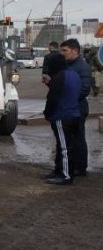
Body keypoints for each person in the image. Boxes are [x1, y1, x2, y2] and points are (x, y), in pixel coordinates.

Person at [42, 52, 81, 185]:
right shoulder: (74, 74)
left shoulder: (59, 77)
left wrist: (47, 114)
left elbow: (53, 98)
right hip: (74, 114)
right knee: (66, 145)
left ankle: (65, 175)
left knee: (64, 147)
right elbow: (68, 91)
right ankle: (59, 170)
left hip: (61, 116)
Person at [60, 38, 91, 177]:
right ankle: (71, 166)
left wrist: (68, 99)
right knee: (69, 139)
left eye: (65, 50)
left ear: (74, 50)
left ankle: (80, 167)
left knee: (78, 138)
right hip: (68, 107)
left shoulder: (82, 67)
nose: (63, 53)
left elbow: (84, 90)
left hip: (77, 108)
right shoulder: (68, 65)